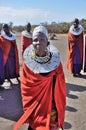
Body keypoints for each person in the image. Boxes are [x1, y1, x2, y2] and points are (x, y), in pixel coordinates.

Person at [14, 25, 66, 130]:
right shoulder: (27, 64)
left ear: (48, 43)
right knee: (35, 125)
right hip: (35, 106)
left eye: (42, 39)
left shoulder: (56, 63)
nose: (38, 42)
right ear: (32, 43)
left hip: (52, 106)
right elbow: (26, 87)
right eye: (35, 40)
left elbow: (61, 86)